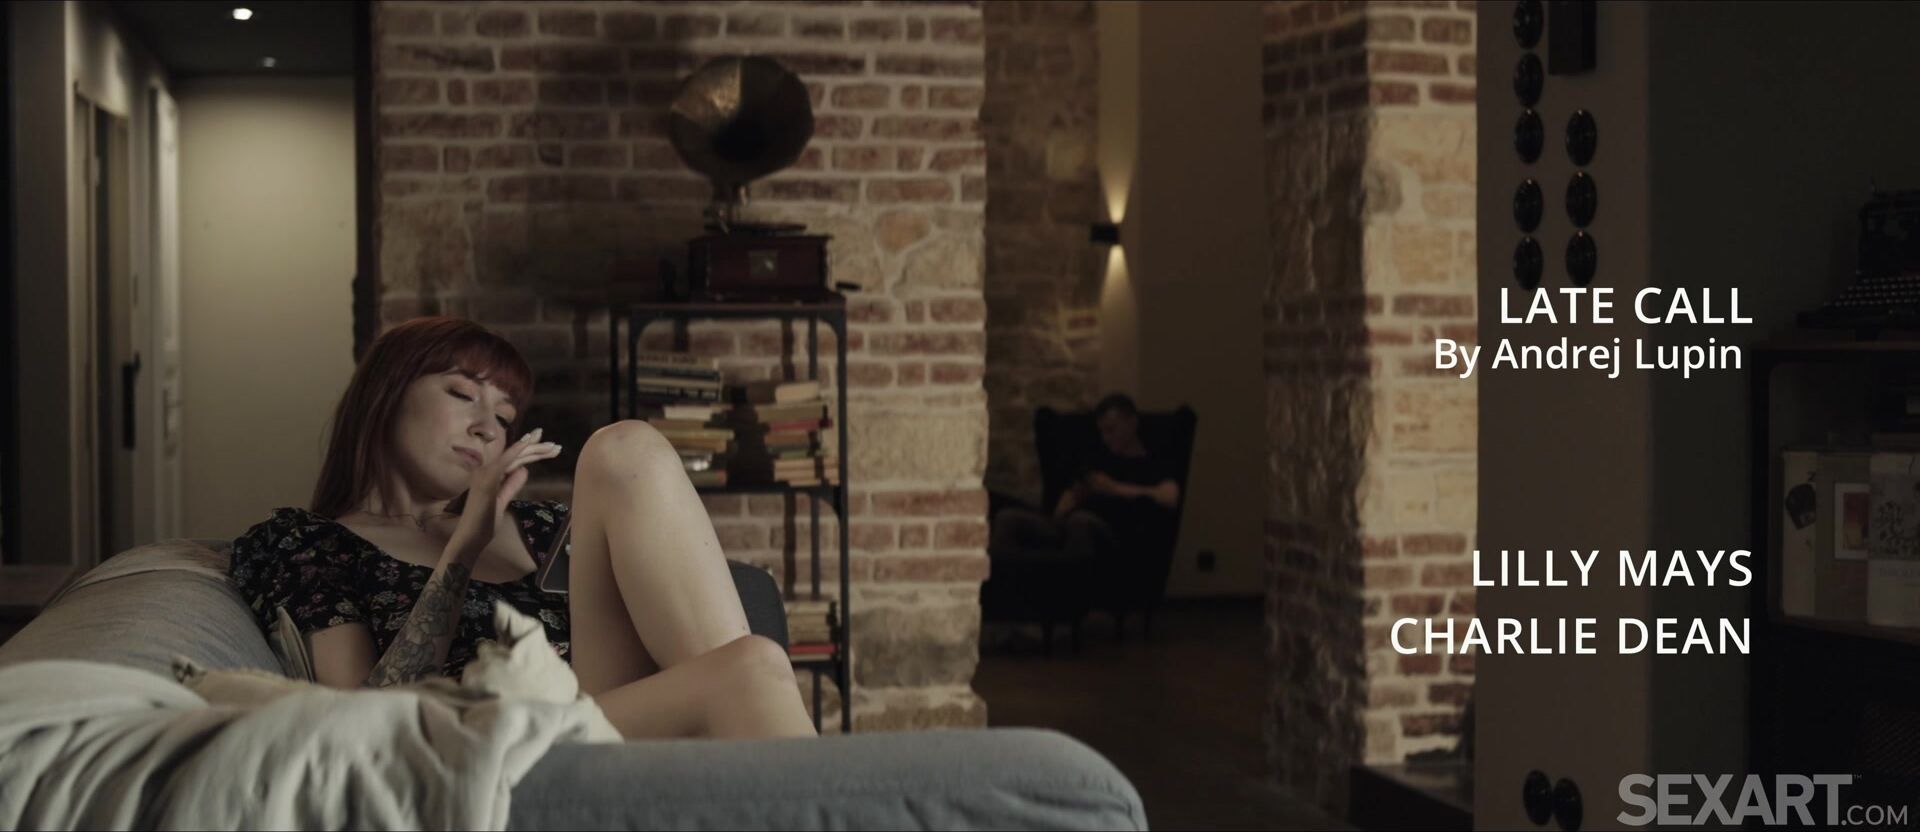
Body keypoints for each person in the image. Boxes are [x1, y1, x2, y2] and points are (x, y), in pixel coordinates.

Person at [227, 317, 816, 740]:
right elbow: (371, 723)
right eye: (462, 394)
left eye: (504, 416)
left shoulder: (541, 525)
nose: (488, 428)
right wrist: (467, 543)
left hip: (609, 721)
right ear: (386, 395)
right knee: (749, 672)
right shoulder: (307, 542)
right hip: (491, 744)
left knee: (624, 449)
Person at [990, 393, 1181, 560]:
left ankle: (1075, 587)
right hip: (1066, 524)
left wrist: (1113, 488)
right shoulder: (1098, 456)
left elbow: (1170, 497)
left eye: (1111, 430)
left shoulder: (1152, 462)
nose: (1106, 438)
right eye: (1102, 432)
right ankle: (1006, 583)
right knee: (1007, 518)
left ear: (1132, 423)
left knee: (1080, 522)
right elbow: (1067, 500)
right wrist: (1068, 503)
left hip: (1111, 533)